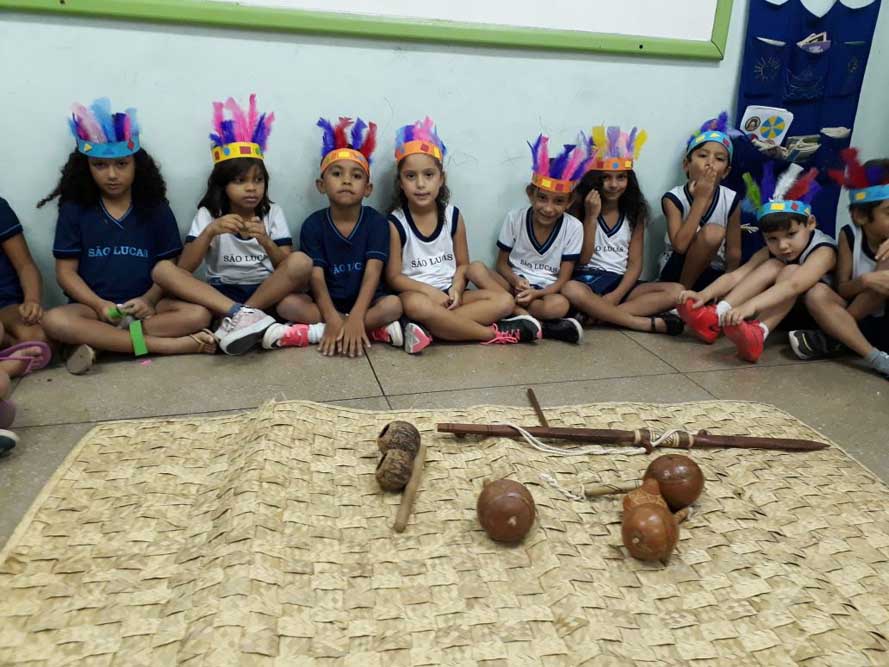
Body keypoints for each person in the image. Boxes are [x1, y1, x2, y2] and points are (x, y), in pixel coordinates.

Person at [38, 98, 215, 374]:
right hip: (93, 309)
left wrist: (148, 300)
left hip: (147, 309)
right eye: (99, 165)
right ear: (86, 166)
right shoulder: (75, 209)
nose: (112, 175)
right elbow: (65, 273)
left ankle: (103, 343)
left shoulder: (155, 207)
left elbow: (170, 268)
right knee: (54, 320)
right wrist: (98, 305)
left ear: (136, 164)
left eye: (122, 164)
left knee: (198, 314)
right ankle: (168, 346)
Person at [150, 95, 312, 355]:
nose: (251, 188)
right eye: (240, 181)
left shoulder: (272, 213)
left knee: (301, 262)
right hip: (221, 295)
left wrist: (265, 241)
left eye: (258, 180)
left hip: (265, 291)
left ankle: (243, 318)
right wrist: (211, 231)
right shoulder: (209, 214)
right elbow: (184, 268)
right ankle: (244, 318)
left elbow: (288, 267)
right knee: (162, 271)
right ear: (223, 185)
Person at [264, 116, 402, 357]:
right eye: (337, 174)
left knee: (394, 305)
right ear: (321, 185)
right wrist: (331, 316)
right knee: (286, 305)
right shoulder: (313, 225)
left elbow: (373, 273)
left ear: (368, 189)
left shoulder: (377, 222)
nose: (346, 180)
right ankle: (365, 330)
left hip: (367, 303)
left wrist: (356, 316)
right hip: (326, 304)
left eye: (356, 176)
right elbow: (316, 278)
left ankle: (319, 332)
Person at [384, 117, 524, 352]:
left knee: (504, 301)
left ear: (442, 179)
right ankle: (490, 333)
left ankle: (432, 329)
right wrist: (429, 292)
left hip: (451, 295)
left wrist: (456, 289)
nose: (420, 184)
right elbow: (394, 277)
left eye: (429, 175)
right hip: (418, 294)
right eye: (411, 176)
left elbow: (463, 265)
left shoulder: (453, 215)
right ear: (400, 183)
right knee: (416, 305)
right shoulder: (395, 222)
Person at [677, 162, 834, 362]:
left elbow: (794, 285)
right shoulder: (772, 252)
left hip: (814, 317)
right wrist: (703, 294)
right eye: (772, 239)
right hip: (781, 310)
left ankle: (759, 331)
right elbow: (736, 276)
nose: (783, 245)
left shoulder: (824, 250)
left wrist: (749, 307)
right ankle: (716, 315)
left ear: (810, 223)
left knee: (790, 271)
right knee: (773, 265)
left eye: (791, 234)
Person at [562, 126, 684, 335]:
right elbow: (582, 259)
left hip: (620, 283)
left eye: (621, 177)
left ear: (629, 179)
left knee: (677, 291)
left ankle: (597, 315)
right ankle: (639, 323)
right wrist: (591, 217)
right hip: (586, 281)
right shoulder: (580, 208)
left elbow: (635, 265)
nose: (614, 184)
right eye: (606, 177)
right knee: (571, 290)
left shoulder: (635, 212)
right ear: (595, 180)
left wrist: (616, 295)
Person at [789, 150, 889, 379]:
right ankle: (876, 359)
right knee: (816, 293)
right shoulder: (850, 236)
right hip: (857, 321)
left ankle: (833, 338)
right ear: (861, 215)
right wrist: (865, 280)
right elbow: (842, 289)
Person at [488, 134, 592, 343]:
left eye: (558, 201)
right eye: (542, 198)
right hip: (514, 285)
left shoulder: (574, 227)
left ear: (569, 202)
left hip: (546, 291)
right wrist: (516, 281)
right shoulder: (514, 218)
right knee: (476, 269)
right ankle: (541, 325)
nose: (548, 208)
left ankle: (518, 316)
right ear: (530, 193)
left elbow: (563, 279)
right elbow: (502, 264)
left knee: (559, 305)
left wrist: (536, 294)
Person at [658, 113, 742, 290]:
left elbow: (734, 252)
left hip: (713, 272)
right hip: (676, 271)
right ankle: (681, 295)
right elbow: (680, 246)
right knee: (713, 233)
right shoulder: (673, 198)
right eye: (703, 155)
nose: (710, 163)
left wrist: (728, 285)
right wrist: (700, 199)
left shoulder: (731, 199)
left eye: (719, 159)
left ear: (726, 172)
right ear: (686, 165)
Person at [0, 196, 53, 442]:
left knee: (37, 336)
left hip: (6, 304)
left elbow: (25, 266)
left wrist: (32, 300)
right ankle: (8, 365)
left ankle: (9, 359)